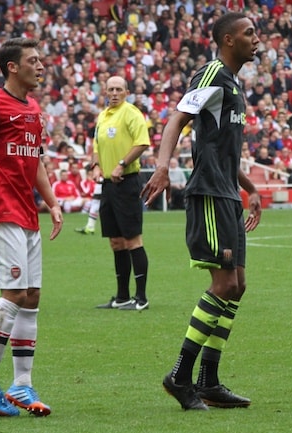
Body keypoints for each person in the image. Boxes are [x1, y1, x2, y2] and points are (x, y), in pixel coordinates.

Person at [141, 12, 262, 411]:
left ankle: (209, 380)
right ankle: (180, 375)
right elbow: (178, 117)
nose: (255, 38)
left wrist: (251, 188)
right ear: (228, 40)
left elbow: (222, 148)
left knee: (238, 285)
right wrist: (162, 164)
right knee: (223, 284)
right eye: (248, 33)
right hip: (209, 194)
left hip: (228, 193)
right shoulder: (211, 73)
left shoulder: (233, 84)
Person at [0, 38, 63, 418]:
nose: (41, 66)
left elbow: (35, 160)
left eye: (41, 59)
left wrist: (51, 203)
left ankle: (21, 383)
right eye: (33, 61)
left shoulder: (34, 109)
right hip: (1, 210)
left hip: (27, 213)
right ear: (11, 67)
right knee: (15, 293)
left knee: (32, 295)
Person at [90, 75, 150, 311]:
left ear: (126, 92)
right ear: (105, 92)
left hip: (127, 181)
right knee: (116, 241)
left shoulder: (131, 113)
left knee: (133, 239)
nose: (114, 93)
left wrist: (121, 163)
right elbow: (96, 145)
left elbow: (142, 142)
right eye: (110, 89)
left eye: (118, 89)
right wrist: (95, 165)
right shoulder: (103, 116)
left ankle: (141, 298)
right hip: (107, 185)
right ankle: (122, 296)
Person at [75, 164, 103, 234]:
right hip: (102, 182)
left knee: (95, 204)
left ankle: (90, 227)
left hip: (102, 182)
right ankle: (90, 227)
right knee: (95, 204)